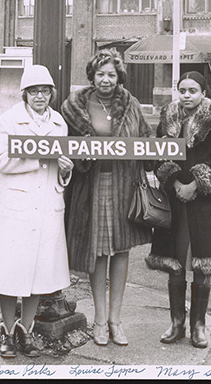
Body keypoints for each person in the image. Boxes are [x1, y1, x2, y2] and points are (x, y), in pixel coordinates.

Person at [0, 64, 74, 359]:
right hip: (15, 208)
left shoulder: (59, 123)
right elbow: (1, 162)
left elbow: (58, 166)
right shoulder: (9, 121)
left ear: (51, 94)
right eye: (34, 91)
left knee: (38, 274)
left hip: (47, 207)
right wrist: (43, 159)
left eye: (45, 91)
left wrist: (65, 170)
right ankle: (8, 332)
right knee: (10, 273)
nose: (40, 96)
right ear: (25, 94)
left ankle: (27, 330)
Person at [61, 49, 152, 347]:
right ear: (92, 75)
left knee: (121, 250)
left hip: (125, 185)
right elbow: (66, 148)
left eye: (111, 74)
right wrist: (81, 153)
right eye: (100, 73)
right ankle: (100, 320)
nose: (106, 79)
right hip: (93, 186)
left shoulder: (131, 105)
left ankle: (116, 319)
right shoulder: (75, 106)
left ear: (119, 77)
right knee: (97, 252)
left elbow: (148, 142)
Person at [146, 71, 211, 349]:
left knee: (201, 262)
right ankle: (176, 323)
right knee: (175, 260)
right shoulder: (168, 118)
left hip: (204, 203)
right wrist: (173, 181)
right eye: (182, 90)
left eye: (192, 90)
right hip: (174, 201)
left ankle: (198, 325)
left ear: (203, 93)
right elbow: (158, 153)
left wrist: (195, 184)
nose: (186, 95)